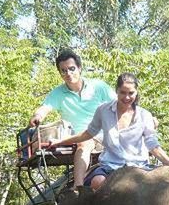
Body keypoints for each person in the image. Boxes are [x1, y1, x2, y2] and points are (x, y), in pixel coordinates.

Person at [50, 72, 169, 190]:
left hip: (139, 167)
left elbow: (152, 145)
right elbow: (88, 133)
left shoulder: (145, 115)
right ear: (116, 91)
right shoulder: (103, 110)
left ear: (136, 93)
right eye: (122, 93)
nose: (127, 97)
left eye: (131, 93)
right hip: (111, 166)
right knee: (96, 182)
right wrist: (59, 141)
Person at [28, 49, 115, 187]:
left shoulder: (98, 86)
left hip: (104, 134)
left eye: (71, 68)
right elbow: (45, 107)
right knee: (84, 143)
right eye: (63, 71)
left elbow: (121, 104)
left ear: (79, 68)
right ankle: (78, 188)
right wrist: (37, 116)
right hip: (79, 137)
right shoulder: (58, 93)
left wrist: (146, 117)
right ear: (60, 73)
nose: (68, 73)